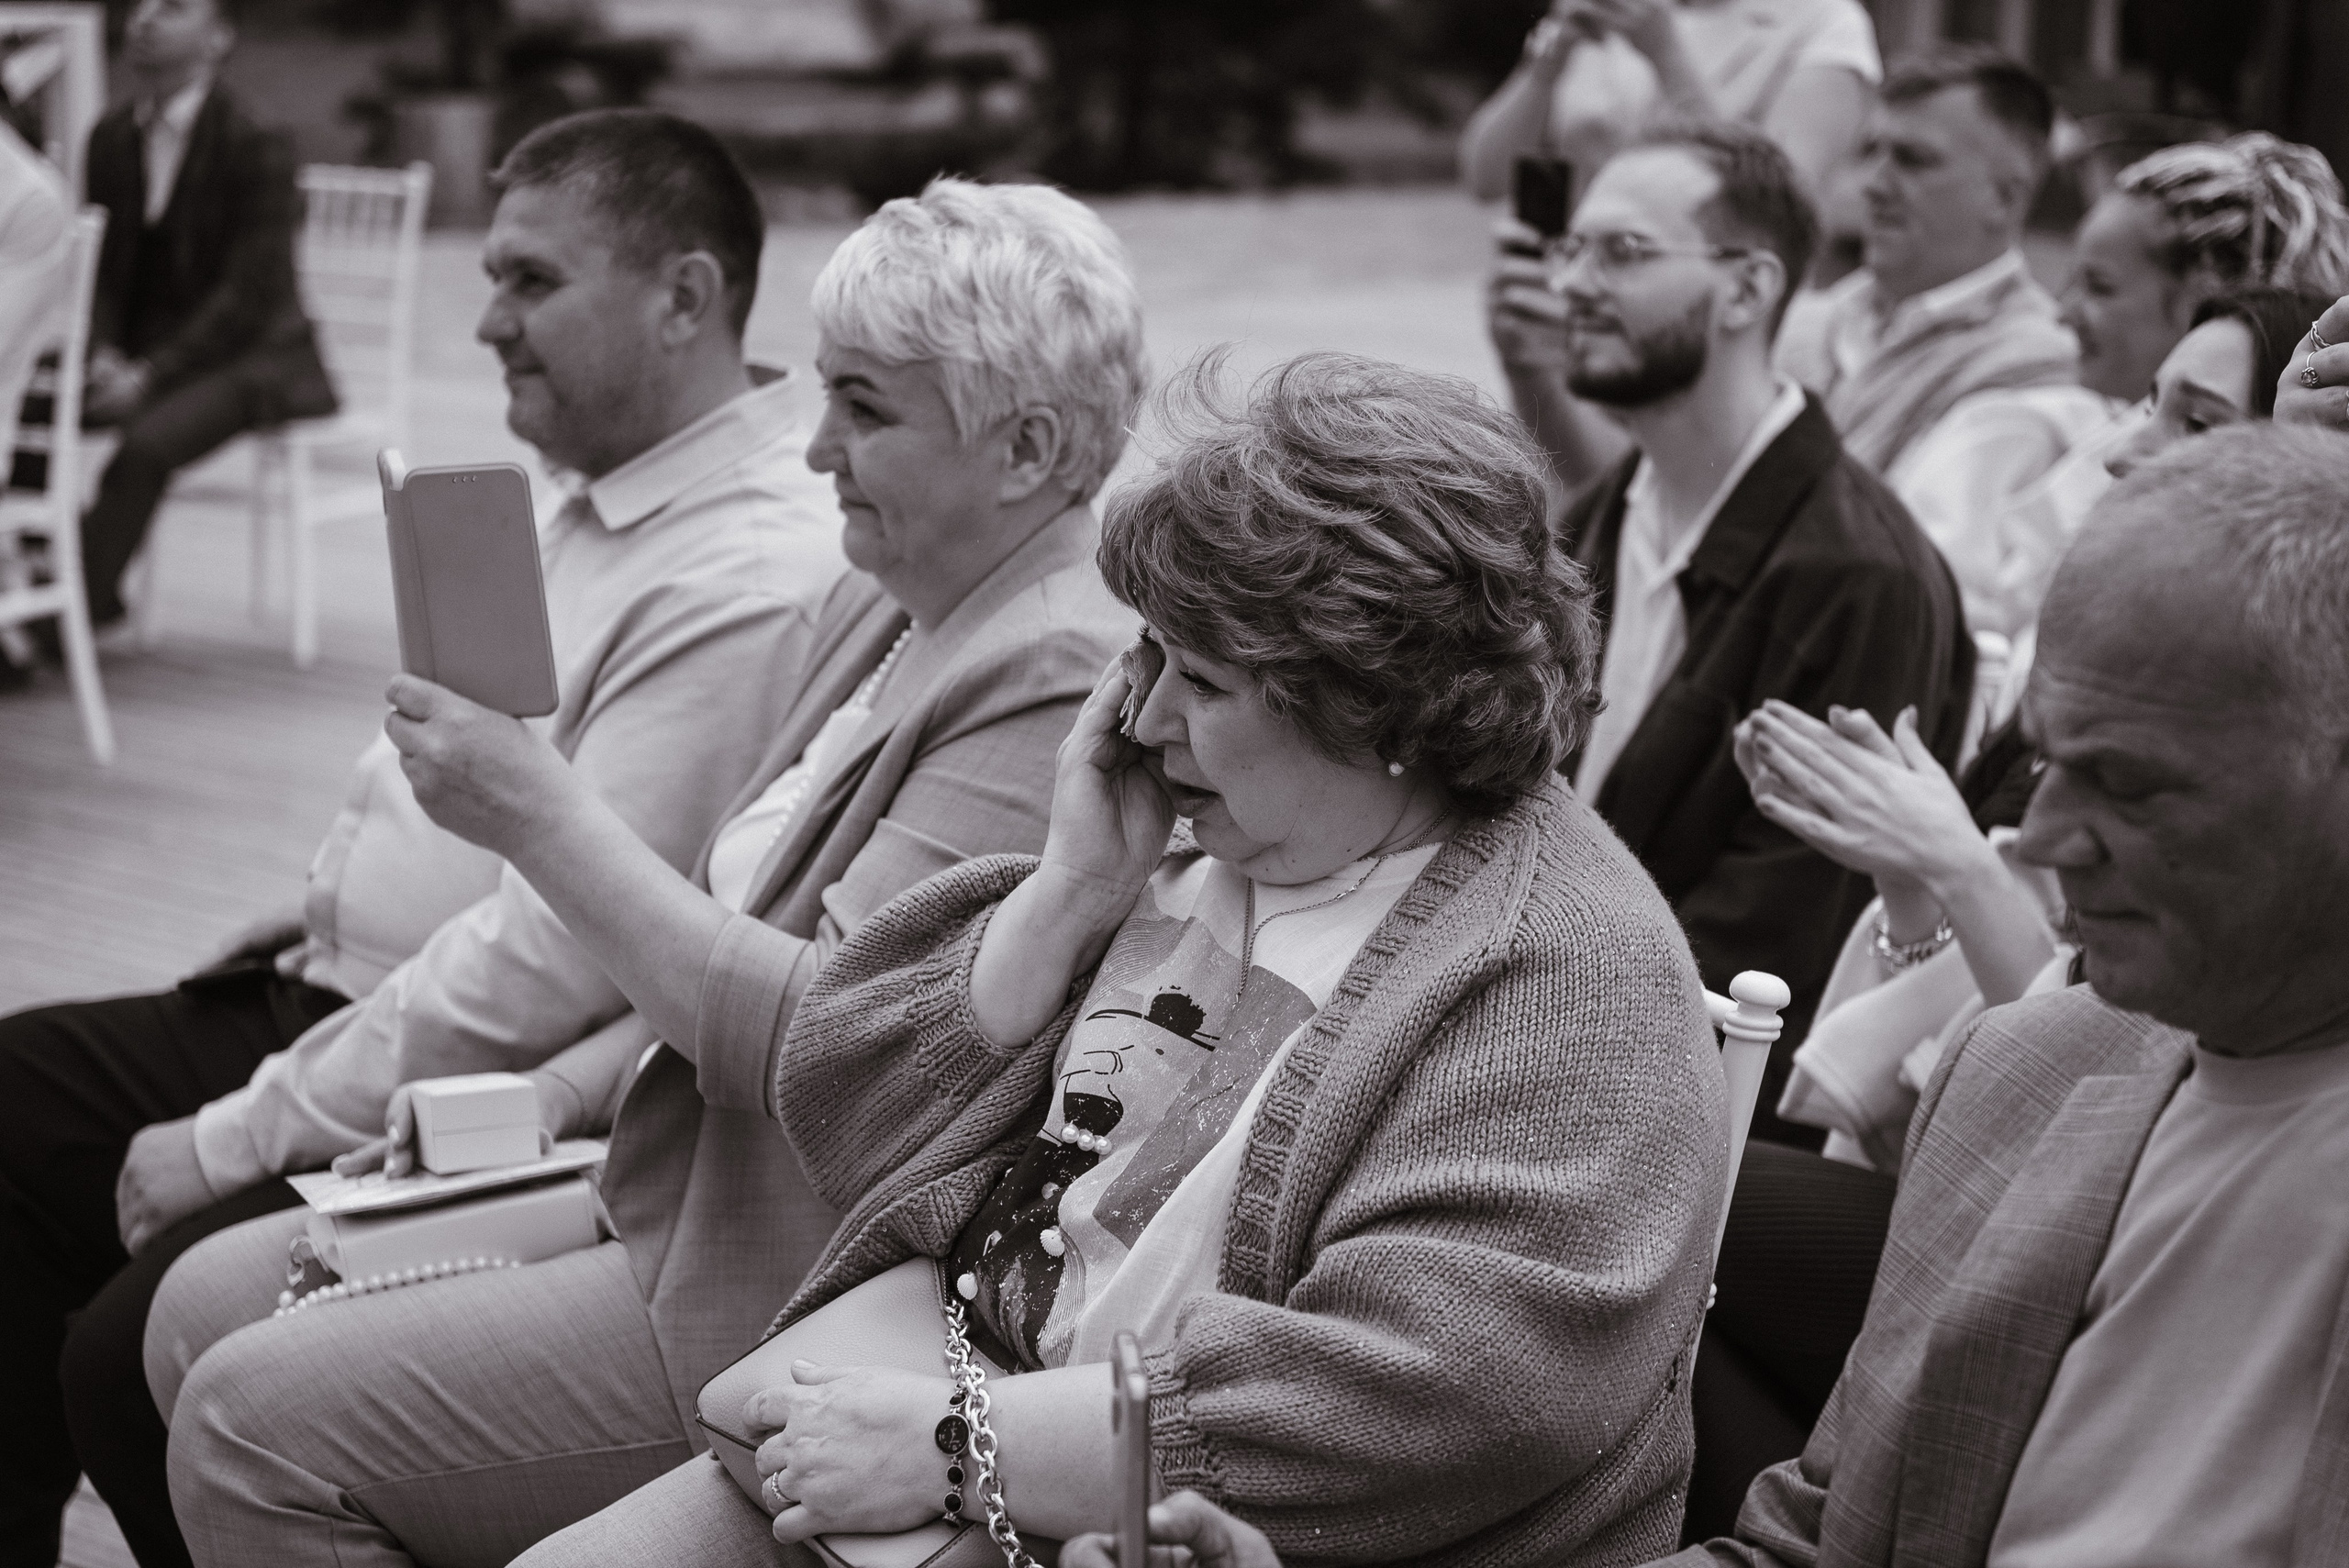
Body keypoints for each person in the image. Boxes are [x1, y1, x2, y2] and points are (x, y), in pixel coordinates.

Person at [498, 350, 1728, 1568]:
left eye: (1199, 678)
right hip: (956, 1442)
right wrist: (1069, 890)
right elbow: (848, 1122)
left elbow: (1432, 1399)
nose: (1139, 720)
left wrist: (959, 1443)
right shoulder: (1190, 835)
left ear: (1380, 702)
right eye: (1145, 656)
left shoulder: (1566, 973)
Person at [150, 175, 1147, 1568]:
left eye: (865, 409)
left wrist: (538, 816)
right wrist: (540, 1094)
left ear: (1028, 446)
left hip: (783, 1274)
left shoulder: (1048, 668)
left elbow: (839, 1042)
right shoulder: (891, 600)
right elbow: (750, 924)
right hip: (661, 1169)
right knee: (197, 1302)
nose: (812, 452)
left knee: (250, 1423)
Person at [0, 109, 847, 1568]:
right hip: (347, 988)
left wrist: (233, 1134)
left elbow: (557, 954)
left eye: (528, 281)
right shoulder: (614, 495)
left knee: (126, 1349)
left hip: (466, 1074)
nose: (485, 323)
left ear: (685, 298)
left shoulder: (748, 567)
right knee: (10, 1104)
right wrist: (314, 899)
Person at [1673, 287, 2332, 1542]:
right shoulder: (2020, 1071)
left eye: (2130, 782)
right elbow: (1808, 1533)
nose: (2042, 835)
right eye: (2049, 761)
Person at [1550, 118, 1970, 1144]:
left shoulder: (1859, 578)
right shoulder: (1597, 518)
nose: (1572, 283)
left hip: (1681, 1120)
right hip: (1551, 1029)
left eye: (1624, 252)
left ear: (1746, 289)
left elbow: (1765, 950)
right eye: (1572, 248)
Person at [1473, 0, 1881, 497]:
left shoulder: (1823, 23)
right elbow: (1483, 174)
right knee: (1573, 519)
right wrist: (1546, 62)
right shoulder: (1604, 14)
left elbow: (1779, 207)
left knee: (1681, 504)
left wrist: (1666, 53)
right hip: (1581, 319)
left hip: (1709, 341)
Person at [1774, 45, 2110, 628]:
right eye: (1871, 151)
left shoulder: (2039, 372)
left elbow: (1931, 604)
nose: (1873, 184)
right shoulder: (1808, 321)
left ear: (2003, 197)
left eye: (1913, 159)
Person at [1973, 134, 2349, 642]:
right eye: (2154, 408)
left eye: (2100, 286)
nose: (2062, 311)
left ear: (2212, 288)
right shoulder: (2092, 436)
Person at [74, 0, 339, 628]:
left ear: (219, 38)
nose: (144, 19)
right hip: (144, 354)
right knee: (28, 414)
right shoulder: (110, 136)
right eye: (139, 7)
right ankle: (42, 577)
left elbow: (248, 294)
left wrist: (148, 375)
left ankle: (64, 618)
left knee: (143, 446)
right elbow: (103, 273)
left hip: (255, 354)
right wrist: (102, 353)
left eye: (172, 8)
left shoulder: (258, 139)